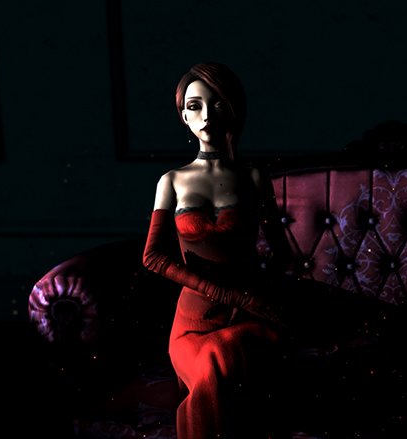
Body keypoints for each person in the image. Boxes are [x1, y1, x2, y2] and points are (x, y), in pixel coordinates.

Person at [141, 62, 291, 438]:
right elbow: (152, 257)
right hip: (193, 324)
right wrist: (226, 292)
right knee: (213, 362)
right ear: (183, 116)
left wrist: (255, 297)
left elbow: (282, 254)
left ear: (234, 109)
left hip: (246, 317)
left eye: (218, 103)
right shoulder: (172, 181)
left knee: (228, 360)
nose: (206, 115)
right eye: (195, 106)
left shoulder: (253, 178)